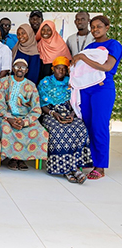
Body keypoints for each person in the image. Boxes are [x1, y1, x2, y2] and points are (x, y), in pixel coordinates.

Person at [72, 15, 122, 180]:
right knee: (88, 126)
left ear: (107, 27)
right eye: (92, 27)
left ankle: (100, 167)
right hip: (86, 89)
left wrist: (82, 57)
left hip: (102, 90)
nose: (95, 30)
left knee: (99, 126)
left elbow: (107, 66)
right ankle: (91, 161)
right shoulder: (91, 46)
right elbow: (83, 69)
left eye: (98, 26)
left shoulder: (113, 44)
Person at [37, 56, 92, 184]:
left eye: (63, 69)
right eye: (58, 68)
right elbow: (41, 104)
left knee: (80, 128)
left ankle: (75, 167)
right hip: (50, 113)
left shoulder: (71, 82)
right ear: (52, 69)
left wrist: (73, 115)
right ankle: (67, 170)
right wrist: (54, 114)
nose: (60, 71)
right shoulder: (45, 82)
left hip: (69, 112)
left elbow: (76, 101)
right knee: (58, 130)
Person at [0, 59, 49, 171]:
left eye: (23, 67)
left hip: (25, 117)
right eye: (17, 66)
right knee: (5, 128)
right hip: (7, 116)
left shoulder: (31, 85)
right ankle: (12, 158)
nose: (20, 69)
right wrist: (9, 118)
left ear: (27, 71)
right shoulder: (4, 82)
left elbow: (36, 109)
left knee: (40, 131)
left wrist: (25, 121)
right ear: (12, 68)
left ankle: (22, 159)